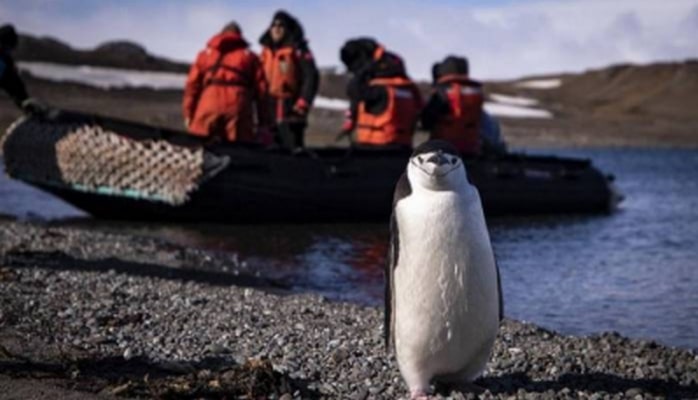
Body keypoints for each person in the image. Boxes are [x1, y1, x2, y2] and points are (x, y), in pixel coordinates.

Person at [182, 21, 271, 144]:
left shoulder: (205, 55)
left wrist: (188, 113)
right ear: (240, 35)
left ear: (221, 33)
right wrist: (263, 122)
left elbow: (192, 85)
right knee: (238, 149)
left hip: (209, 104)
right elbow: (261, 91)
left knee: (201, 146)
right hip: (238, 105)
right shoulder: (250, 57)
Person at [339, 38, 422, 148]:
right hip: (403, 150)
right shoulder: (409, 89)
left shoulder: (378, 90)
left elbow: (353, 90)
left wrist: (364, 70)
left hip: (375, 149)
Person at [421, 55, 507, 155]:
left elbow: (425, 122)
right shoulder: (475, 95)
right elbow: (491, 136)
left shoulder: (441, 94)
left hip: (442, 154)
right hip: (471, 152)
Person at [259, 10, 319, 149]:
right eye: (274, 25)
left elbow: (311, 77)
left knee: (292, 147)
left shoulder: (299, 50)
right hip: (268, 105)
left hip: (291, 106)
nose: (276, 28)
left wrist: (303, 102)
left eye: (281, 25)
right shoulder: (265, 52)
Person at [0, 24, 42, 113]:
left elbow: (15, 85)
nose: (8, 50)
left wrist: (25, 102)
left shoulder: (6, 61)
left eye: (9, 48)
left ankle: (30, 109)